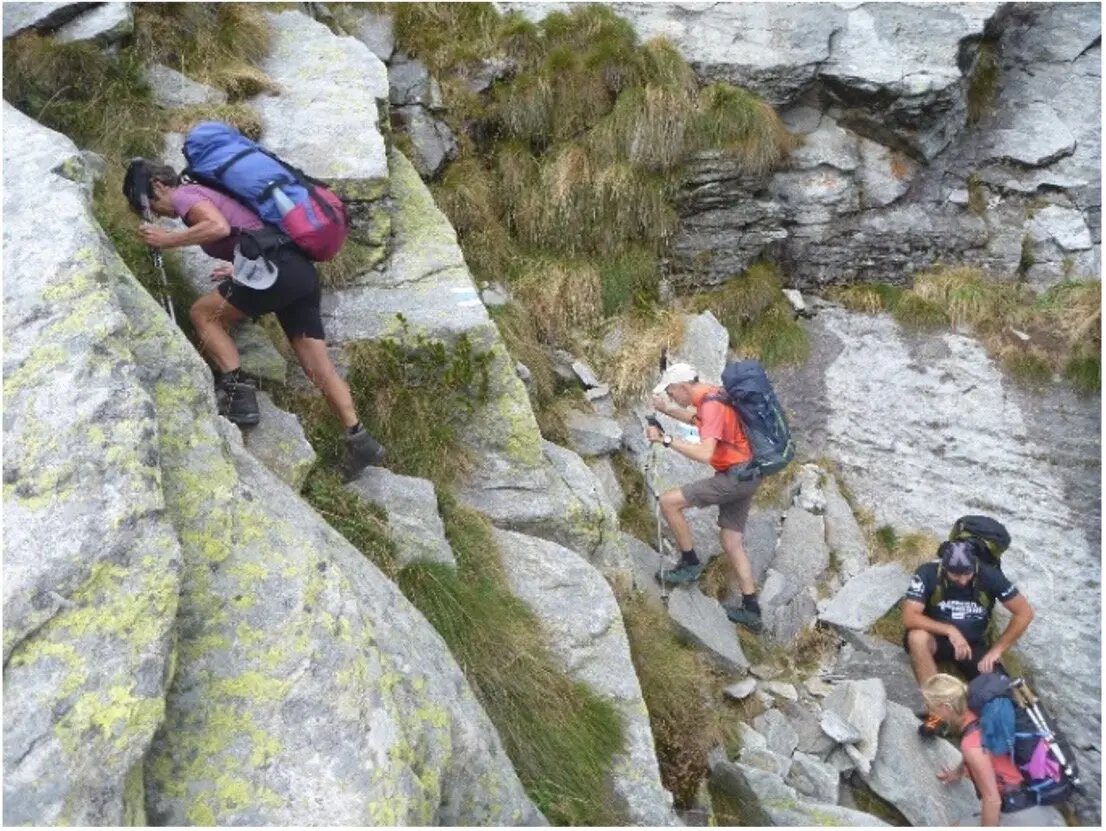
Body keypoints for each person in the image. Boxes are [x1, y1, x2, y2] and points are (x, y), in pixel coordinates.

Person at [126, 159, 385, 480]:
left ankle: (238, 397)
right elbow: (248, 231)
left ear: (158, 186)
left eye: (151, 204)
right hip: (298, 272)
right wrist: (239, 268)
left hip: (277, 271)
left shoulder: (185, 195)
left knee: (203, 314)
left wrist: (167, 240)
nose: (158, 213)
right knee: (319, 367)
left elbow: (218, 227)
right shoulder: (208, 192)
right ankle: (360, 438)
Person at [646, 362, 763, 632]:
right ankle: (752, 609)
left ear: (683, 386)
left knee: (669, 502)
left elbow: (704, 454)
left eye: (671, 392)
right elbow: (697, 421)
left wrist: (665, 440)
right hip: (750, 473)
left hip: (734, 477)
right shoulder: (714, 394)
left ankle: (690, 563)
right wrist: (665, 409)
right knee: (731, 540)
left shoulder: (710, 405)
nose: (671, 396)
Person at [903, 539, 1034, 735]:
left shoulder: (990, 576)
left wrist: (996, 651)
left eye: (967, 573)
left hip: (974, 645)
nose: (963, 580)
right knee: (917, 638)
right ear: (944, 568)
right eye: (955, 575)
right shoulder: (928, 573)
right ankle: (937, 714)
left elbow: (1024, 613)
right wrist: (950, 630)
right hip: (938, 639)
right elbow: (909, 617)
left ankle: (993, 733)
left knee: (1000, 686)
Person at [922, 673, 1066, 827]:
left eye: (930, 706)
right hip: (1038, 803)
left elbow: (992, 801)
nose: (929, 712)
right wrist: (958, 772)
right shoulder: (981, 714)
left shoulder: (970, 744)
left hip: (1019, 813)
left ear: (945, 707)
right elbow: (983, 755)